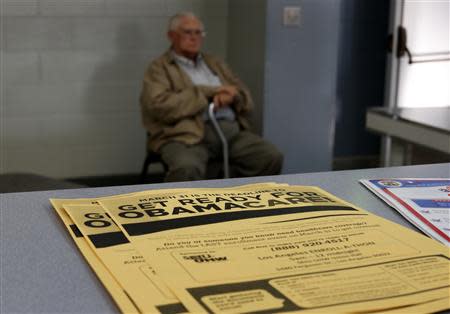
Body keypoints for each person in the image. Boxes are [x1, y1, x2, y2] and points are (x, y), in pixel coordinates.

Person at [140, 12, 283, 182]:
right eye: (187, 32)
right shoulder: (159, 68)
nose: (194, 38)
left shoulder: (214, 63)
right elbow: (159, 106)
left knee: (269, 156)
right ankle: (185, 206)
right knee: (187, 168)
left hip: (230, 132)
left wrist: (232, 96)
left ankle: (233, 197)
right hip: (185, 136)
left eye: (198, 32)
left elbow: (243, 95)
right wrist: (209, 92)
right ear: (171, 36)